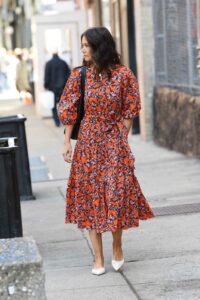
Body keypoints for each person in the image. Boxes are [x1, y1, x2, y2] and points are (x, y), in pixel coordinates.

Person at [57, 27, 155, 276]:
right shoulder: (80, 75)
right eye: (82, 46)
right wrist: (67, 142)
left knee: (115, 194)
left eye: (86, 45)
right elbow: (69, 108)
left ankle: (117, 245)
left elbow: (130, 109)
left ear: (100, 47)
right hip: (88, 142)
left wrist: (121, 138)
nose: (83, 50)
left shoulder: (123, 75)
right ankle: (98, 256)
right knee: (90, 198)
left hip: (113, 142)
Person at [44, 52, 71, 127]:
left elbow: (47, 76)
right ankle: (64, 120)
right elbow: (69, 74)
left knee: (53, 106)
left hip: (52, 88)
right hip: (63, 87)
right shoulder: (63, 63)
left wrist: (46, 85)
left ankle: (57, 122)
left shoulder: (48, 63)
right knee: (63, 105)